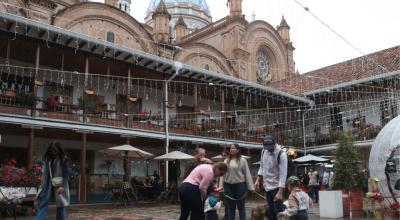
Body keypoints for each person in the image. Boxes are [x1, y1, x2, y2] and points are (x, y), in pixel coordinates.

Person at [255, 135, 287, 220]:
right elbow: (262, 166)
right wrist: (258, 179)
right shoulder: (264, 151)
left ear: (275, 144)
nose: (269, 149)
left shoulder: (281, 154)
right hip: (267, 186)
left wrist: (280, 192)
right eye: (266, 147)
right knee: (270, 210)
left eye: (270, 147)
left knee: (279, 211)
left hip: (276, 187)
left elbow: (283, 174)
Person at [35, 142, 70, 220]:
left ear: (59, 149)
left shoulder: (63, 159)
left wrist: (62, 186)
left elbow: (66, 174)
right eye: (52, 149)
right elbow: (44, 172)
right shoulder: (48, 159)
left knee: (61, 205)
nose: (53, 150)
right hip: (47, 184)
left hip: (59, 183)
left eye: (55, 149)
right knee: (43, 203)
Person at [220, 144, 254, 220]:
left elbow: (247, 174)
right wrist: (220, 187)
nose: (231, 150)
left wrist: (251, 187)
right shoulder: (226, 161)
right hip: (228, 186)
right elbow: (222, 175)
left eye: (233, 148)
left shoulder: (243, 160)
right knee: (231, 208)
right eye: (230, 148)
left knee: (241, 207)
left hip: (240, 186)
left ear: (238, 150)